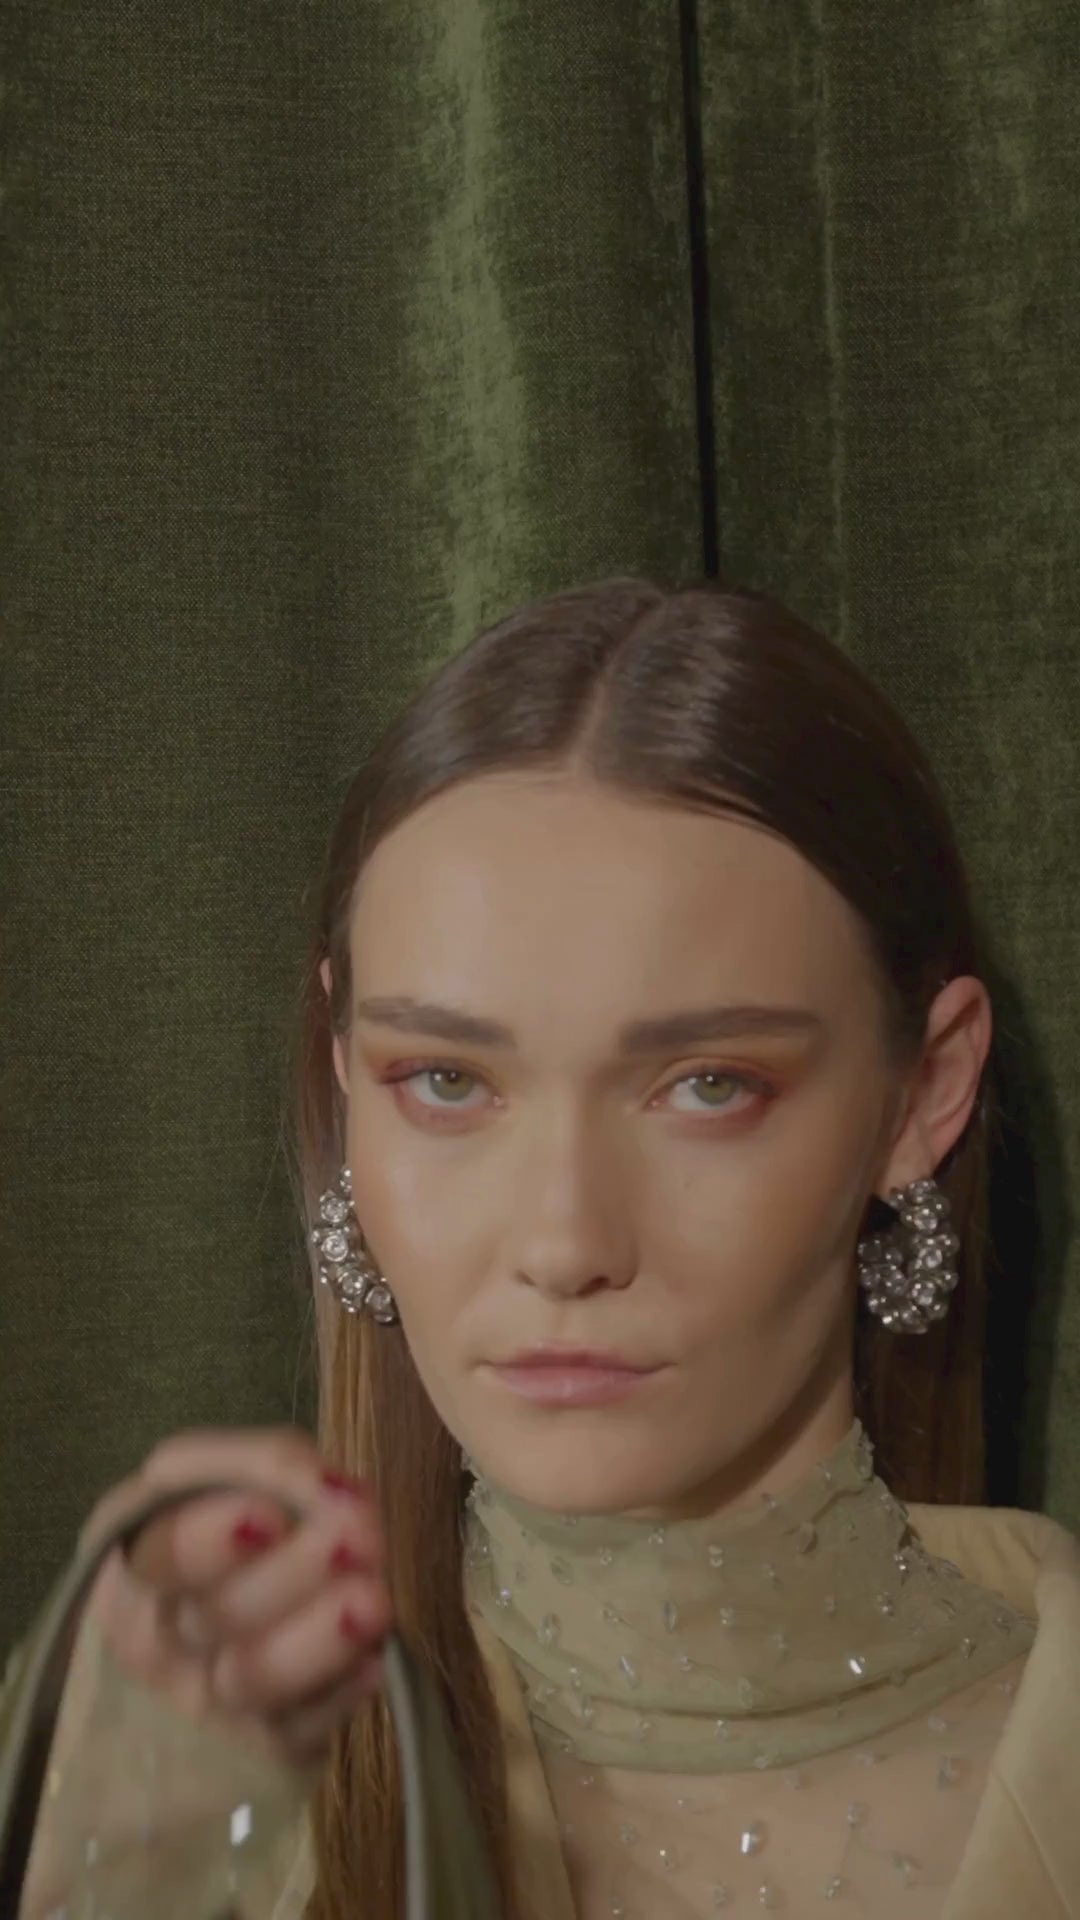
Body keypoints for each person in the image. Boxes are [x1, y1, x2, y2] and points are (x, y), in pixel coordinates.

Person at [7, 578, 1079, 1920]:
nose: (565, 1243)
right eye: (447, 1083)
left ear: (924, 1092)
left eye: (708, 1086)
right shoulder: (136, 1795)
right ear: (344, 1080)